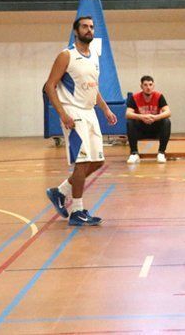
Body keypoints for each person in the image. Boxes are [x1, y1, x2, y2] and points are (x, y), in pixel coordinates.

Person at [44, 16, 118, 226]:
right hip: (73, 111)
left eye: (92, 27)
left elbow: (93, 87)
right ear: (75, 31)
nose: (89, 30)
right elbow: (49, 86)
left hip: (90, 112)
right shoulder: (66, 55)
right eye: (85, 26)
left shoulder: (94, 55)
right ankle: (77, 210)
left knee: (98, 161)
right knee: (82, 160)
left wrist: (105, 109)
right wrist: (62, 114)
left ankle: (61, 191)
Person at [125, 75, 171, 164]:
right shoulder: (134, 97)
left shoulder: (159, 96)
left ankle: (161, 153)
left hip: (155, 128)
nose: (148, 87)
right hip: (141, 129)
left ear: (153, 86)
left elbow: (168, 112)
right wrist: (142, 117)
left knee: (166, 121)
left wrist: (155, 117)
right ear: (141, 86)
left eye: (150, 85)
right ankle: (134, 153)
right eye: (145, 85)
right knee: (130, 122)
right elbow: (128, 114)